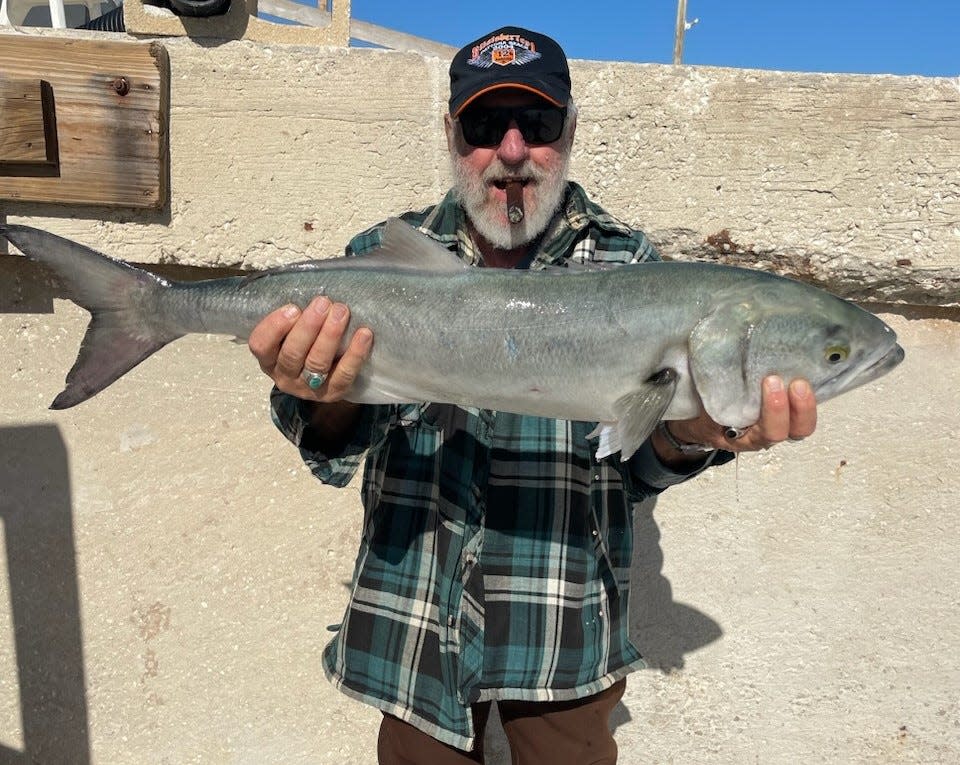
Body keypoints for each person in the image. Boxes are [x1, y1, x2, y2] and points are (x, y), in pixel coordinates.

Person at [248, 26, 818, 765]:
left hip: (562, 633)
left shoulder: (631, 266)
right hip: (413, 628)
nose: (511, 151)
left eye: (537, 124)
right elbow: (323, 442)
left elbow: (636, 468)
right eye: (486, 126)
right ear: (453, 135)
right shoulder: (384, 258)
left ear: (569, 132)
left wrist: (697, 430)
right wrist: (322, 389)